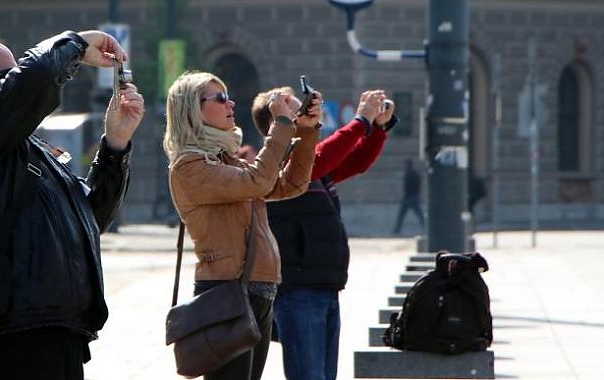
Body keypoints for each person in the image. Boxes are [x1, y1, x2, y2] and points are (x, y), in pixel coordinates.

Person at [0, 30, 144, 379]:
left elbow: (89, 221)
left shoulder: (25, 150)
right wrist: (76, 44)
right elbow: (36, 78)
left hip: (50, 334)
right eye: (6, 78)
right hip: (13, 339)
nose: (15, 85)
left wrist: (115, 145)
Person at [163, 71, 322, 380]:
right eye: (220, 98)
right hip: (226, 290)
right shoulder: (189, 166)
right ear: (191, 109)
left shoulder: (225, 160)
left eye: (227, 95)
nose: (230, 103)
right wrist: (282, 125)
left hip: (258, 289)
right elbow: (258, 180)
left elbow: (291, 184)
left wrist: (306, 130)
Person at [251, 87, 394, 380]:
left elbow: (355, 161)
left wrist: (377, 129)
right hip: (298, 288)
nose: (303, 109)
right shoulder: (277, 163)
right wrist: (361, 122)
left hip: (324, 285)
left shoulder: (306, 160)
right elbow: (322, 158)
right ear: (274, 120)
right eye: (292, 106)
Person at [393, 159, 425, 234]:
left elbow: (407, 187)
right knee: (420, 215)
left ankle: (397, 230)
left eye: (405, 165)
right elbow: (419, 185)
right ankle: (425, 228)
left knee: (401, 215)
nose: (404, 166)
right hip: (414, 197)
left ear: (408, 165)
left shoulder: (409, 174)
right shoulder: (415, 174)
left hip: (408, 197)